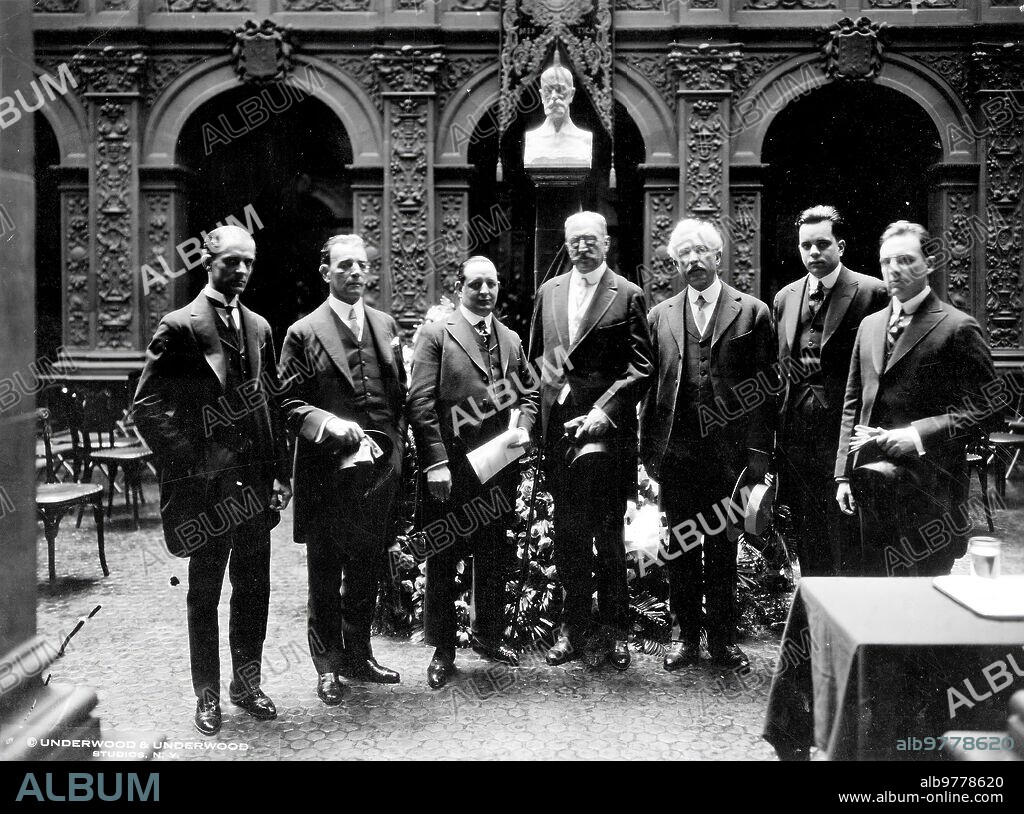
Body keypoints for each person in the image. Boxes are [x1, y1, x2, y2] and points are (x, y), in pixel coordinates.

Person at [133, 225, 292, 736]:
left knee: (253, 588)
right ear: (208, 262)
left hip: (253, 482)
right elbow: (147, 405)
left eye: (248, 262)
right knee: (204, 592)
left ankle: (246, 685)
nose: (241, 271)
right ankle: (206, 695)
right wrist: (193, 459)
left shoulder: (261, 327)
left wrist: (279, 473)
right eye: (231, 263)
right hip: (206, 488)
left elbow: (268, 404)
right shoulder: (179, 325)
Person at [640, 217, 775, 672]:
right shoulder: (660, 315)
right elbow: (652, 387)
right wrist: (649, 453)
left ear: (719, 256)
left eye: (701, 252)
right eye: (684, 255)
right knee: (680, 544)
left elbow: (765, 389)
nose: (693, 260)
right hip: (677, 453)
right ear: (676, 263)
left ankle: (722, 640)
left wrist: (758, 453)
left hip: (729, 456)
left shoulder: (752, 312)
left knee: (722, 545)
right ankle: (683, 639)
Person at [278, 234, 406, 705]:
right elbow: (287, 403)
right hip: (327, 474)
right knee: (326, 572)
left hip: (377, 475)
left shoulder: (385, 324)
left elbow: (397, 396)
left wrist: (395, 453)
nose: (356, 273)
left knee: (367, 566)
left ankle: (359, 655)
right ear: (325, 271)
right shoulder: (303, 332)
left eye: (362, 265)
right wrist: (329, 423)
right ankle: (328, 665)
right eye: (345, 265)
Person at [835, 221, 1000, 577]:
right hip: (871, 480)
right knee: (875, 589)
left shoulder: (957, 326)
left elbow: (991, 405)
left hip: (931, 488)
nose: (894, 269)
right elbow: (853, 403)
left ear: (929, 264)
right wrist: (843, 477)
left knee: (923, 595)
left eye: (907, 260)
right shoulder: (870, 325)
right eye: (886, 261)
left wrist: (917, 434)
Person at [531, 210, 653, 670]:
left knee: (608, 536)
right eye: (574, 241)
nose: (582, 248)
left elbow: (641, 367)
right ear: (566, 244)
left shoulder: (628, 294)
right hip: (560, 434)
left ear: (606, 243)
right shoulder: (550, 291)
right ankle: (572, 627)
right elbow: (536, 360)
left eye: (590, 240)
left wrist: (604, 410)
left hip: (608, 434)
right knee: (568, 535)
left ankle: (616, 632)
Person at [408, 256, 538, 689]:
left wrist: (523, 425)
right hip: (451, 466)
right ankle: (443, 650)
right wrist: (436, 463)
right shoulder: (437, 334)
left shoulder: (511, 339)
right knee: (443, 556)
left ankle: (488, 636)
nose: (484, 292)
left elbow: (530, 393)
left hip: (496, 466)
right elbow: (421, 404)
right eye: (475, 285)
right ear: (459, 287)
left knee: (493, 551)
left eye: (491, 284)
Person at [773, 206, 888, 576]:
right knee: (806, 531)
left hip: (844, 433)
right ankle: (814, 615)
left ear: (840, 245)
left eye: (822, 244)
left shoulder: (872, 292)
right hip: (795, 436)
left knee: (847, 531)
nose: (813, 253)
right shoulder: (785, 297)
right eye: (806, 245)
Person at [523, 53, 593, 169]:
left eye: (560, 89)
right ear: (541, 96)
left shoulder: (584, 139)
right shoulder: (532, 139)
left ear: (571, 94)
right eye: (548, 91)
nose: (554, 96)